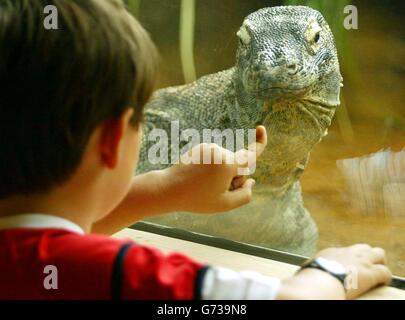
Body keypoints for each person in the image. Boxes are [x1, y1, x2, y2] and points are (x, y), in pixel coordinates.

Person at [0, 0, 391, 300]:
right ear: (113, 141)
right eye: (141, 118)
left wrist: (163, 190)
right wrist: (333, 272)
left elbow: (46, 234)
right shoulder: (119, 269)